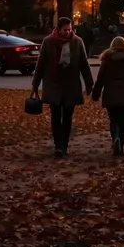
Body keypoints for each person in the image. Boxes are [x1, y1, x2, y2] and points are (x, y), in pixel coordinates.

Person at [32, 18, 94, 158]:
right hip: (54, 84)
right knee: (55, 116)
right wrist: (35, 83)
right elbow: (41, 64)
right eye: (65, 30)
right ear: (59, 29)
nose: (68, 32)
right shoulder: (49, 42)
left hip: (70, 85)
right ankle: (58, 145)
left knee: (67, 116)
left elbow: (84, 64)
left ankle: (64, 145)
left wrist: (89, 83)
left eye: (70, 29)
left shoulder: (77, 42)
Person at [91, 35, 124, 156]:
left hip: (110, 92)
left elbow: (100, 78)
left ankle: (115, 138)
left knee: (113, 119)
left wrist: (96, 93)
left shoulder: (107, 60)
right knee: (123, 120)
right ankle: (121, 144)